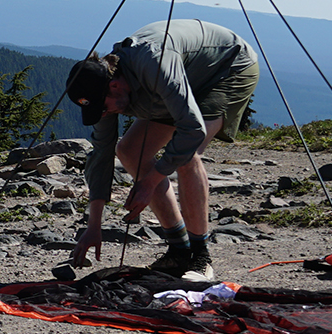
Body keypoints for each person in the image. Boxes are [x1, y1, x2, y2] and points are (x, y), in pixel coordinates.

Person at [63, 19, 259, 282]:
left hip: (227, 67)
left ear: (115, 85)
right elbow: (102, 153)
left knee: (187, 154)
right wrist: (93, 225)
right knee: (129, 150)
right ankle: (179, 250)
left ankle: (201, 257)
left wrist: (150, 182)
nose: (104, 112)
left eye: (104, 106)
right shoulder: (104, 92)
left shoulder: (154, 64)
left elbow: (193, 131)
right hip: (181, 78)